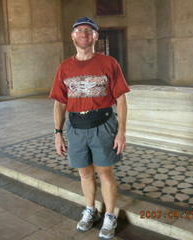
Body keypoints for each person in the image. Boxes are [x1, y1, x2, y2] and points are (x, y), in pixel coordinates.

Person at [49, 17, 130, 240]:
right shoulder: (64, 67)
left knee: (104, 172)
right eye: (79, 30)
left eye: (88, 30)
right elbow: (59, 102)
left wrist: (121, 131)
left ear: (95, 36)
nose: (83, 33)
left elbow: (121, 100)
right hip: (76, 127)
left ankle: (110, 215)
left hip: (103, 125)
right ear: (72, 36)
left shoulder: (109, 63)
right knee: (84, 172)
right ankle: (91, 210)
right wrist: (58, 133)